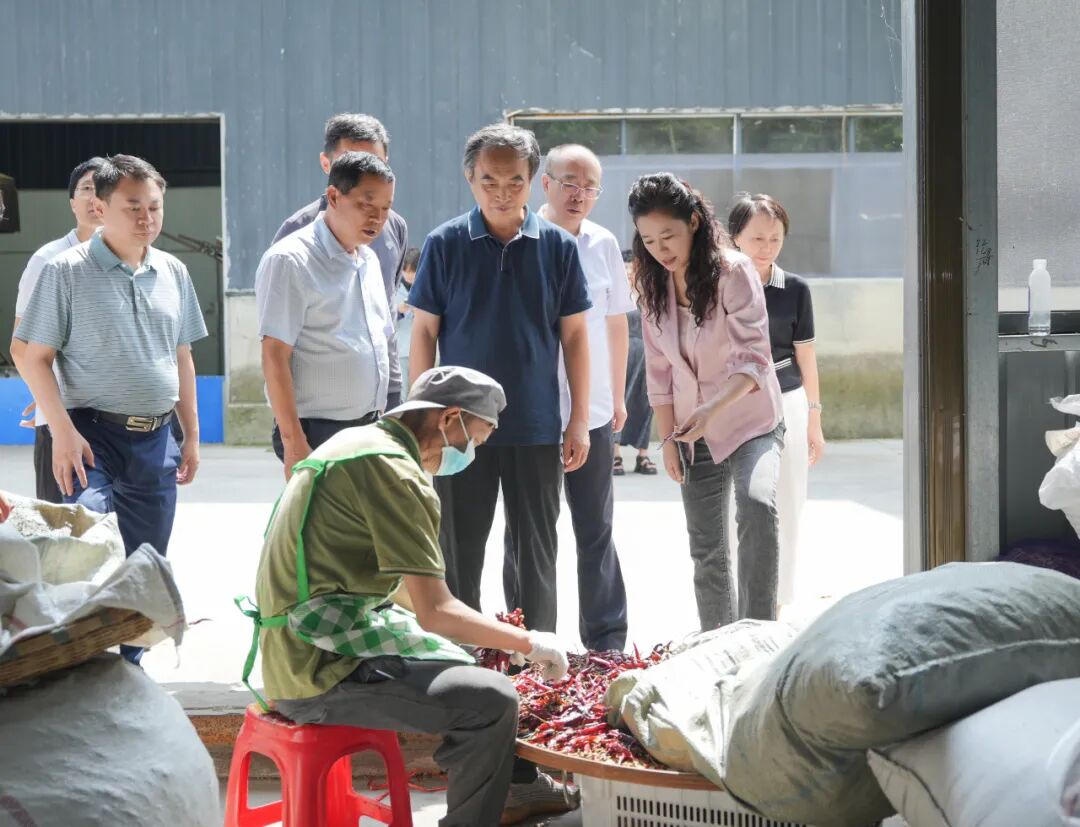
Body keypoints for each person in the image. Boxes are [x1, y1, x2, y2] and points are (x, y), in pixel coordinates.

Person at [247, 366, 577, 826]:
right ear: (450, 418)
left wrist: (485, 635)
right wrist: (529, 642)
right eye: (476, 439)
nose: (472, 452)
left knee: (467, 656)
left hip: (299, 650)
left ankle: (511, 786)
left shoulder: (358, 444)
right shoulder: (396, 473)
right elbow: (435, 611)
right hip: (317, 674)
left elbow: (404, 588)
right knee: (493, 699)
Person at [13, 155, 206, 660]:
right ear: (100, 208)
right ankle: (81, 665)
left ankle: (131, 668)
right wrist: (62, 431)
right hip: (89, 434)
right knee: (85, 553)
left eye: (154, 207)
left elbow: (183, 357)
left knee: (147, 563)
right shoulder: (64, 271)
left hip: (157, 439)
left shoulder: (174, 271)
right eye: (133, 206)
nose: (146, 218)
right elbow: (33, 356)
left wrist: (191, 435)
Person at [408, 124, 592, 638]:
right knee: (457, 549)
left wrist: (578, 420)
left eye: (515, 181)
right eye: (489, 179)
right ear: (470, 177)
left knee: (537, 552)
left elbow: (576, 337)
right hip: (457, 427)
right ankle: (462, 655)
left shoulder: (558, 247)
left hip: (535, 424)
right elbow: (424, 332)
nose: (502, 192)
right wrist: (420, 418)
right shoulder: (444, 244)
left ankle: (535, 655)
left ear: (533, 181)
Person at [629, 174, 784, 631]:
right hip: (690, 431)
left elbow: (754, 358)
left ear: (694, 222)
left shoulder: (733, 272)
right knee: (706, 548)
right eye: (648, 240)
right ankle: (718, 642)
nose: (660, 249)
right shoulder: (651, 283)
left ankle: (756, 634)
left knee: (757, 505)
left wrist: (710, 409)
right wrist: (668, 439)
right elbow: (658, 369)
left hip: (750, 420)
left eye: (668, 236)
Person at [503, 143, 632, 652]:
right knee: (529, 534)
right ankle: (529, 641)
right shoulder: (521, 239)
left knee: (596, 528)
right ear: (545, 184)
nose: (579, 195)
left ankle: (606, 642)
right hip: (534, 415)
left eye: (590, 187)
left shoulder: (603, 244)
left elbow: (616, 323)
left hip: (593, 410)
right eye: (570, 184)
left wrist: (617, 395)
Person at [256, 152, 396, 479]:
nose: (377, 218)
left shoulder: (368, 260)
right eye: (366, 205)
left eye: (386, 208)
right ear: (333, 196)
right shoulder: (291, 260)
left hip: (369, 426)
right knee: (326, 515)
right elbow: (274, 355)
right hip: (317, 432)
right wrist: (294, 442)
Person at [273, 113, 410, 409]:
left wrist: (394, 387)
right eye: (351, 161)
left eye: (375, 162)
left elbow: (387, 311)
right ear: (327, 165)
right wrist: (290, 426)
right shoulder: (295, 236)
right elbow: (276, 342)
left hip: (382, 394)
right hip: (318, 410)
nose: (365, 172)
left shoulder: (394, 228)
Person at [729, 192, 825, 609]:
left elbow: (806, 356)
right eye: (757, 238)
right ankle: (736, 599)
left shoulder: (796, 289)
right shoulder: (719, 284)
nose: (766, 247)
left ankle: (777, 601)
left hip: (787, 400)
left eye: (775, 239)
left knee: (787, 500)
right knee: (737, 505)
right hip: (731, 404)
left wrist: (814, 418)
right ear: (735, 237)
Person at [10, 157, 106, 503]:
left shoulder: (136, 261)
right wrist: (49, 398)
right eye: (86, 189)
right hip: (62, 422)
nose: (95, 198)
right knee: (62, 524)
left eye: (104, 189)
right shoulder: (47, 260)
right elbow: (21, 347)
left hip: (116, 421)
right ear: (71, 202)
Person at [614, 249, 658, 476]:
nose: (629, 272)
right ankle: (615, 454)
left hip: (648, 355)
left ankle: (643, 455)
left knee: (646, 403)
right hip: (621, 355)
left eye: (633, 267)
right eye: (625, 268)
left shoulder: (649, 294)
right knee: (620, 400)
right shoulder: (615, 295)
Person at [394, 246, 421, 393]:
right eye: (406, 271)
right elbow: (385, 321)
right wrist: (399, 311)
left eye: (412, 271)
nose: (408, 275)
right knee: (402, 392)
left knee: (420, 391)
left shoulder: (426, 285)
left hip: (421, 348)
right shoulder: (394, 287)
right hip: (401, 349)